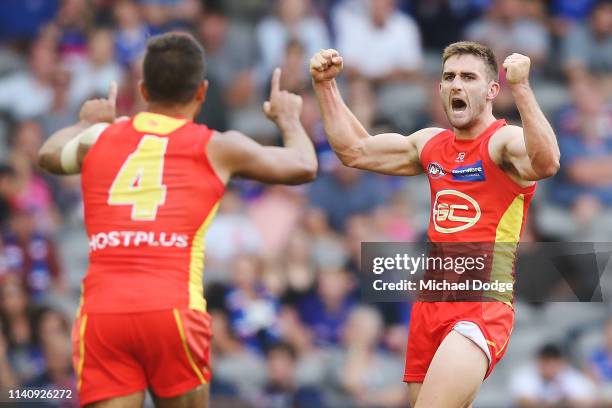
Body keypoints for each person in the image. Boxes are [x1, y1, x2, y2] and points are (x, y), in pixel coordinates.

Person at [38, 32, 317, 408]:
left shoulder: (100, 139)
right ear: (201, 92)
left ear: (143, 89)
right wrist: (289, 119)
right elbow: (303, 165)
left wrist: (84, 123)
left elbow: (49, 154)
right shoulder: (217, 146)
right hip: (172, 310)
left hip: (104, 313)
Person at [309, 41, 559, 407]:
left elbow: (547, 162)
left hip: (480, 305)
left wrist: (520, 88)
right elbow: (354, 150)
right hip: (429, 306)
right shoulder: (430, 143)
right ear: (440, 89)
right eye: (449, 77)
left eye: (469, 77)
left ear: (492, 90)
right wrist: (325, 86)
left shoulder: (502, 142)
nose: (456, 84)